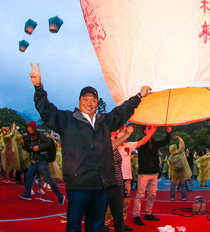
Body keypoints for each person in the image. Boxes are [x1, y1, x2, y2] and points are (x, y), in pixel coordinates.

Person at [28, 63, 147, 232]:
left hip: (100, 186)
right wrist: (39, 87)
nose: (89, 103)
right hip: (78, 186)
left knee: (95, 226)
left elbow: (122, 111)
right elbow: (46, 110)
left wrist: (139, 96)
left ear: (97, 103)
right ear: (79, 101)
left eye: (93, 100)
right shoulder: (68, 120)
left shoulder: (104, 121)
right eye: (85, 99)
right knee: (74, 226)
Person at [132, 125, 171, 226]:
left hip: (154, 172)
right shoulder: (141, 142)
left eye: (152, 128)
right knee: (140, 195)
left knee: (152, 194)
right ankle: (136, 216)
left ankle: (148, 213)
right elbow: (142, 144)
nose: (152, 129)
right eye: (149, 128)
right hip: (144, 173)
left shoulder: (154, 142)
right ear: (144, 131)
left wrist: (168, 132)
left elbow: (165, 142)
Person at [18, 121, 64, 204]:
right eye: (27, 127)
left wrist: (38, 147)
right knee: (28, 176)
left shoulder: (40, 135)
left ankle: (60, 196)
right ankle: (27, 194)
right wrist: (23, 145)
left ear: (34, 128)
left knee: (48, 180)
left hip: (41, 161)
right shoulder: (29, 137)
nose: (28, 129)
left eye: (30, 127)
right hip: (34, 161)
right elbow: (29, 149)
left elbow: (49, 143)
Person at [168, 135, 192, 201]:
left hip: (174, 171)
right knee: (183, 184)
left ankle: (172, 197)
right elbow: (182, 145)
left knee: (173, 184)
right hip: (182, 171)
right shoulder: (180, 152)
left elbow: (170, 165)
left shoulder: (170, 157)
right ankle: (184, 197)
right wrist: (179, 138)